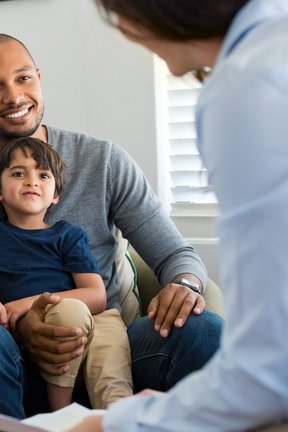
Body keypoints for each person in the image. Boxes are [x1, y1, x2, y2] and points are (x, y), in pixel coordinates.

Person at [0, 32, 223, 429]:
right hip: (6, 356)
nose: (14, 97)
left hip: (105, 346)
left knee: (204, 329)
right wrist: (16, 323)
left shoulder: (102, 161)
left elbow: (177, 255)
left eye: (23, 78)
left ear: (39, 78)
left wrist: (185, 284)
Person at [71, 0, 288, 430]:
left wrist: (120, 422)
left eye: (118, 13)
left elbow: (267, 373)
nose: (124, 33)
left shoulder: (244, 88)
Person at [0, 136, 132, 410]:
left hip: (92, 321)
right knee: (67, 314)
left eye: (43, 175)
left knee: (111, 379)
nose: (32, 181)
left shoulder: (68, 234)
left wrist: (26, 303)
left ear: (55, 196)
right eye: (19, 173)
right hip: (28, 337)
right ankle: (59, 416)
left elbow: (96, 295)